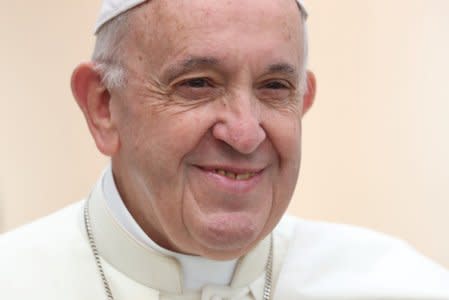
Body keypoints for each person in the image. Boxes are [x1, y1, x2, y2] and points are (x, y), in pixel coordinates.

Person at [1, 0, 449, 299]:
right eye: (197, 84)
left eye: (274, 87)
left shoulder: (403, 285)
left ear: (303, 102)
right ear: (103, 105)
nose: (244, 132)